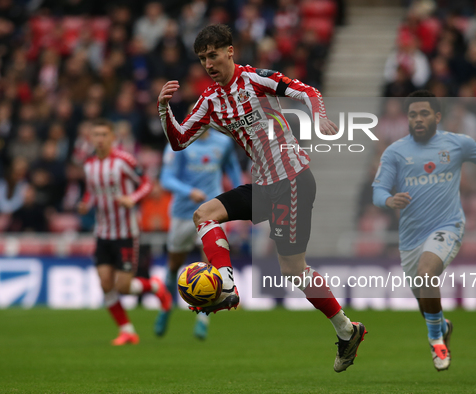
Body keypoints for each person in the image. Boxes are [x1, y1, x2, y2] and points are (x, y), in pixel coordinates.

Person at [157, 24, 366, 372]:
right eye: (202, 58)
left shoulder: (255, 79)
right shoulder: (209, 101)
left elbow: (307, 92)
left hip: (294, 180)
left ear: (229, 51)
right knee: (203, 215)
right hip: (265, 185)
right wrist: (164, 110)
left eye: (213, 54)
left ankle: (346, 330)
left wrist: (321, 119)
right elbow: (179, 141)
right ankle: (225, 282)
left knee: (293, 270)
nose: (209, 63)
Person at [372, 90, 476, 371]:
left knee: (427, 274)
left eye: (424, 113)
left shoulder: (456, 144)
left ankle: (436, 342)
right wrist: (389, 200)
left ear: (437, 116)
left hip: (447, 226)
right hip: (410, 239)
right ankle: (442, 326)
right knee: (425, 301)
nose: (418, 119)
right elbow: (378, 190)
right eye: (413, 114)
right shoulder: (395, 152)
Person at [77, 119, 172, 346]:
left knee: (123, 287)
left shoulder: (124, 161)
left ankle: (156, 286)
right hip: (102, 232)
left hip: (126, 232)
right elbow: (92, 192)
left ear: (112, 138)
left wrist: (132, 199)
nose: (99, 139)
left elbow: (147, 184)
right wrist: (85, 203)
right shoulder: (89, 164)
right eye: (95, 135)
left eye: (103, 134)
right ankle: (127, 330)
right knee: (105, 283)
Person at [154, 129, 242, 339]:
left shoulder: (223, 143)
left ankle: (203, 318)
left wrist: (239, 196)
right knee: (174, 263)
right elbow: (166, 179)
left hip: (212, 212)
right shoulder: (179, 144)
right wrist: (189, 192)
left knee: (210, 264)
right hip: (183, 213)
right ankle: (166, 307)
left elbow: (232, 168)